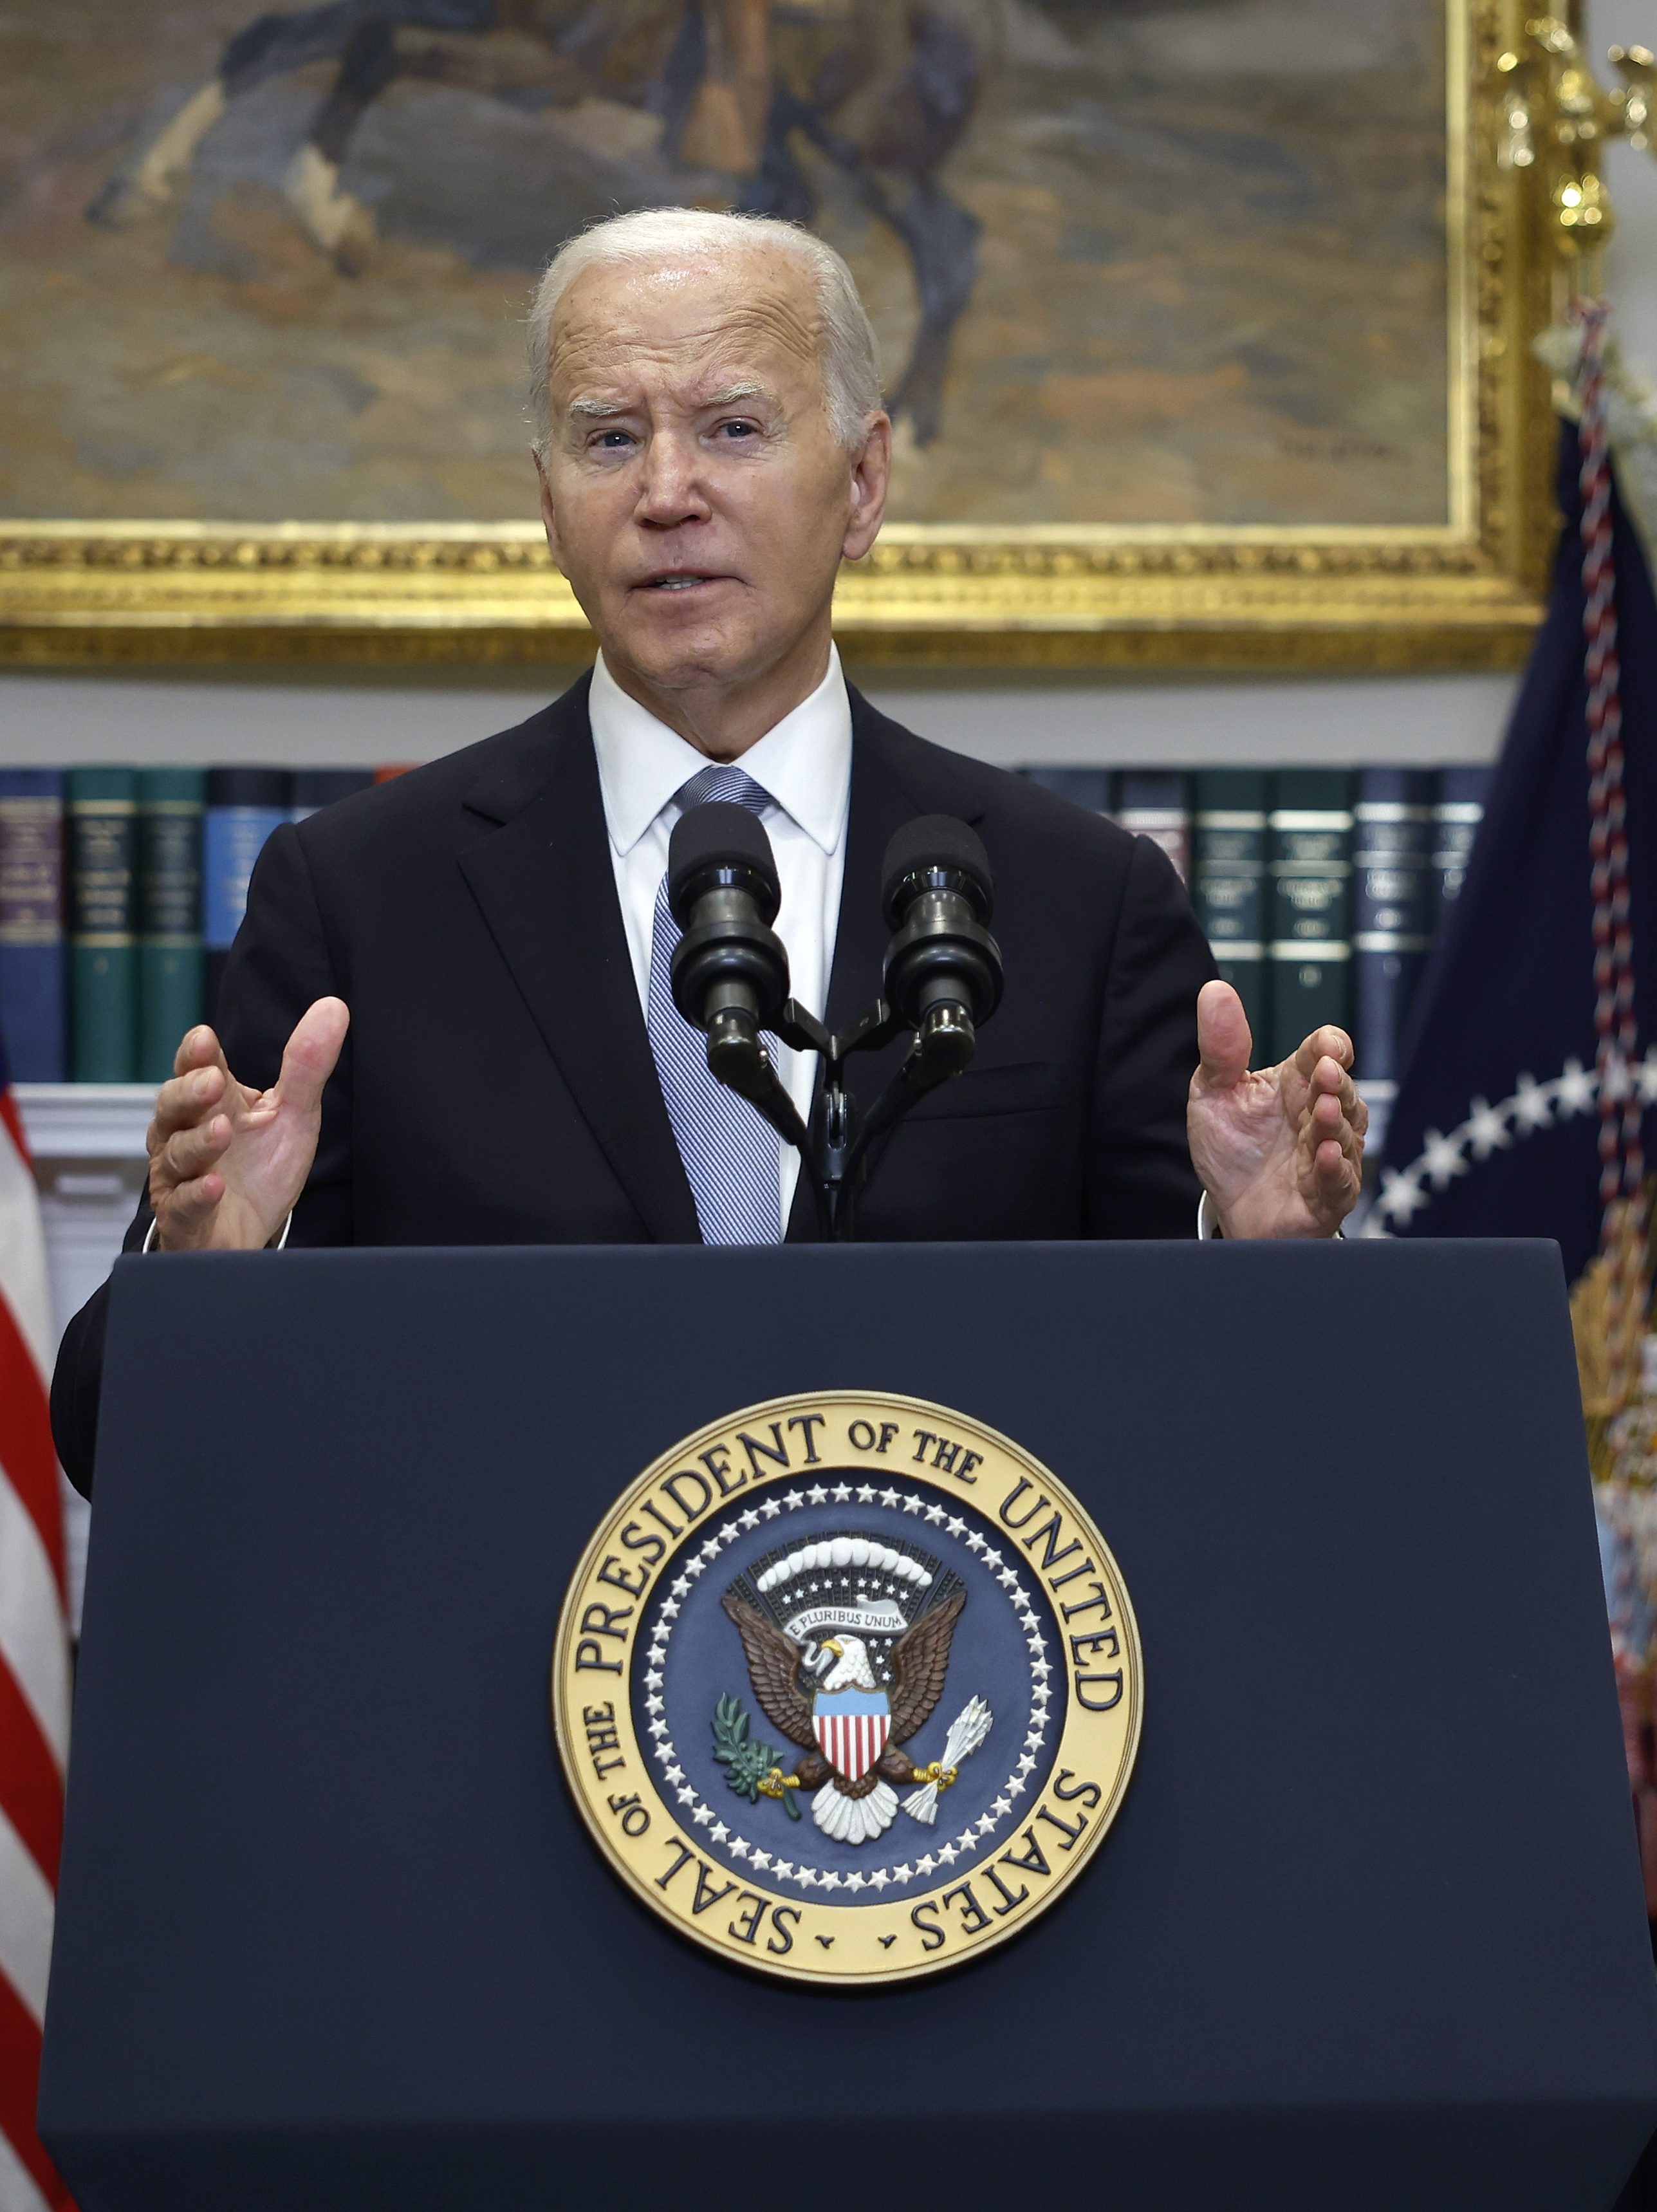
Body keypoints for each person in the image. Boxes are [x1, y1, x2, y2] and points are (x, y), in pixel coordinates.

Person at [50, 207, 1365, 1495]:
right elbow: (120, 1447)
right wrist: (215, 1271)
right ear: (550, 507)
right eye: (608, 439)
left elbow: (1239, 1440)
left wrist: (1246, 1249)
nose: (667, 493)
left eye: (733, 428)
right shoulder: (359, 897)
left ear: (861, 486)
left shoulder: (1076, 898)